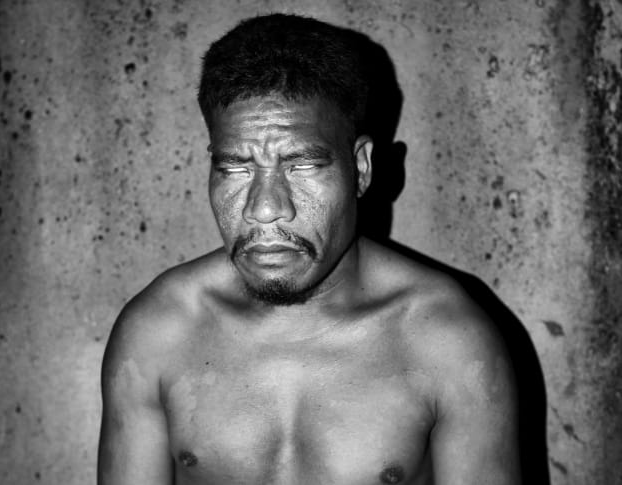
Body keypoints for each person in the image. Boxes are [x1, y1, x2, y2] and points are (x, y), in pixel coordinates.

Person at [98, 13, 520, 485]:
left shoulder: (448, 341)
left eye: (300, 166)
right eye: (236, 168)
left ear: (360, 169)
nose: (264, 209)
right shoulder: (159, 331)